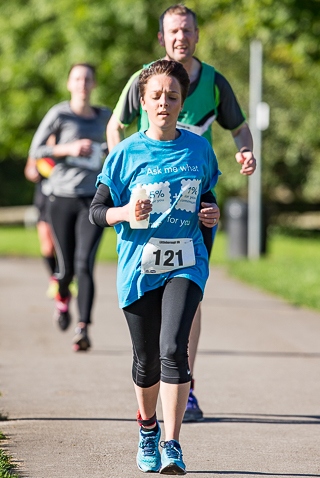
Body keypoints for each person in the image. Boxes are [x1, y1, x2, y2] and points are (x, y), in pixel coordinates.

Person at [106, 3, 257, 422]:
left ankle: (184, 383)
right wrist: (116, 170)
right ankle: (151, 379)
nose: (181, 37)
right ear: (162, 37)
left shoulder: (211, 81)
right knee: (149, 298)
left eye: (187, 30)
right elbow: (116, 125)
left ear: (196, 35)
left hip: (193, 205)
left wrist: (244, 149)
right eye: (173, 31)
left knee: (189, 288)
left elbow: (237, 125)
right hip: (147, 210)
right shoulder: (147, 79)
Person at [90, 59, 220, 475]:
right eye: (157, 96)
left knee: (172, 351)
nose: (165, 102)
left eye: (173, 96)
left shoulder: (199, 148)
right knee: (145, 360)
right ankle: (147, 429)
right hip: (138, 268)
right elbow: (97, 211)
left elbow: (208, 197)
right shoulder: (125, 153)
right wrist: (125, 211)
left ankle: (172, 442)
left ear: (182, 103)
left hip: (187, 262)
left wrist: (211, 213)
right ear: (143, 102)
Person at [29, 63, 112, 352]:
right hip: (60, 197)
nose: (82, 83)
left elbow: (118, 150)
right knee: (65, 269)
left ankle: (83, 327)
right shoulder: (59, 114)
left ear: (93, 84)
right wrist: (69, 149)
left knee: (84, 263)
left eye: (87, 78)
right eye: (77, 78)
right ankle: (62, 297)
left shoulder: (106, 117)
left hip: (93, 199)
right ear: (69, 83)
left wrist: (103, 151)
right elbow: (36, 150)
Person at [24, 136, 59, 299]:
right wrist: (33, 172)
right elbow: (29, 170)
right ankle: (55, 279)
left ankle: (67, 276)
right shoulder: (39, 149)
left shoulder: (69, 148)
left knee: (65, 243)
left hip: (64, 201)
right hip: (44, 201)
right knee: (47, 245)